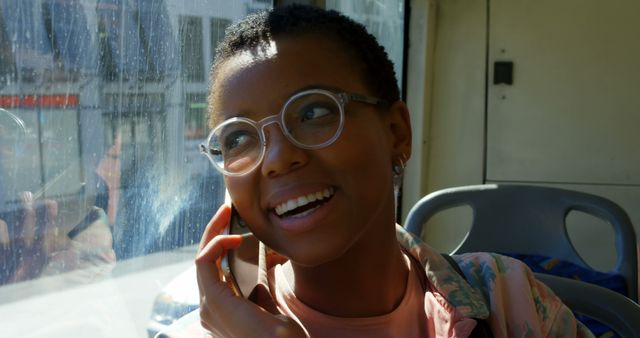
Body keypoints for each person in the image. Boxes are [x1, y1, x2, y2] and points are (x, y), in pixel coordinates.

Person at [194, 5, 593, 338]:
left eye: (313, 112)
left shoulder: (507, 296)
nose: (278, 158)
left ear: (397, 132)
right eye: (238, 139)